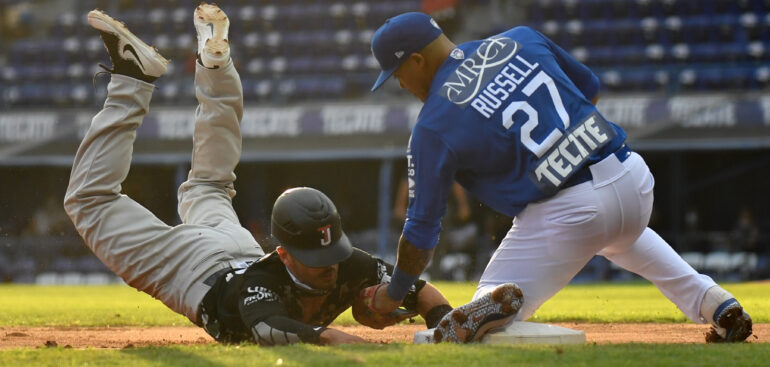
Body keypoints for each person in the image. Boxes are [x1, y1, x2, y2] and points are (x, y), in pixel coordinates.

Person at [64, 5, 453, 346]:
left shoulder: (339, 260)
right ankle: (134, 82)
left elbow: (419, 289)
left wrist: (444, 325)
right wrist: (378, 351)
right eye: (319, 259)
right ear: (282, 254)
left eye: (332, 253)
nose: (331, 266)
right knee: (91, 201)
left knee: (209, 185)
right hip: (191, 270)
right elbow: (282, 332)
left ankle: (214, 66)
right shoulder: (258, 288)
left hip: (234, 250)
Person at [362, 12, 753, 343]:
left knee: (479, 317)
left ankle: (488, 305)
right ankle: (716, 304)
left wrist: (394, 292)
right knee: (621, 237)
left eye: (396, 73)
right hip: (632, 179)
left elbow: (421, 231)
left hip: (569, 211)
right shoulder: (521, 38)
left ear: (416, 60)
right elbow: (589, 92)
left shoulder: (431, 125)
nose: (399, 84)